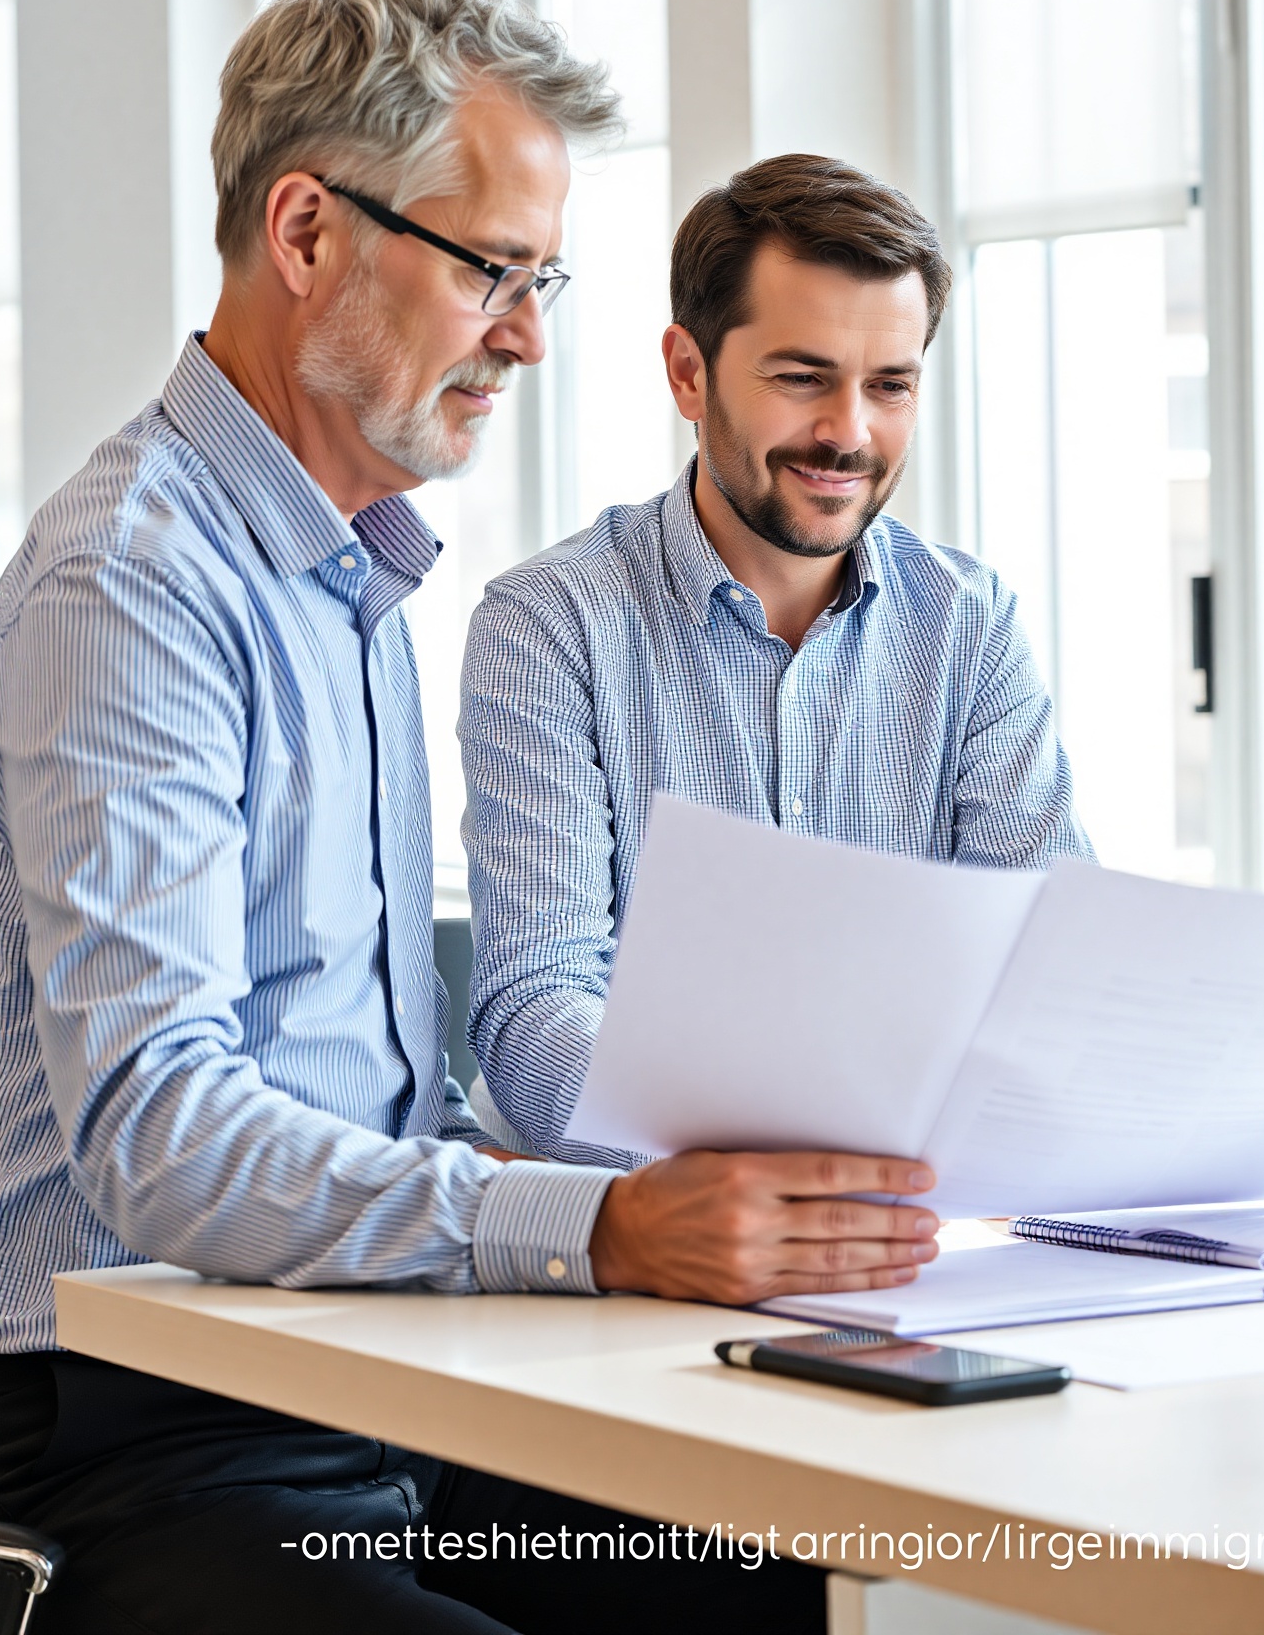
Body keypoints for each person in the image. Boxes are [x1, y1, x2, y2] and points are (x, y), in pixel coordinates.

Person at [0, 0, 908, 1633]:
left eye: (543, 278)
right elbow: (165, 1136)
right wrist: (598, 1223)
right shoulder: (133, 587)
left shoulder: (342, 576)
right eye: (492, 270)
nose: (531, 335)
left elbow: (340, 1087)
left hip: (355, 1394)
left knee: (812, 1590)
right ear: (309, 232)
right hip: (128, 1446)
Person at [460, 153, 1090, 1166]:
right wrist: (755, 1174)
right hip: (629, 1228)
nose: (848, 432)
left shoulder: (970, 628)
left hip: (897, 1226)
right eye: (802, 378)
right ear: (686, 372)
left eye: (889, 385)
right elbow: (537, 1011)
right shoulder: (551, 623)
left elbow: (1048, 972)